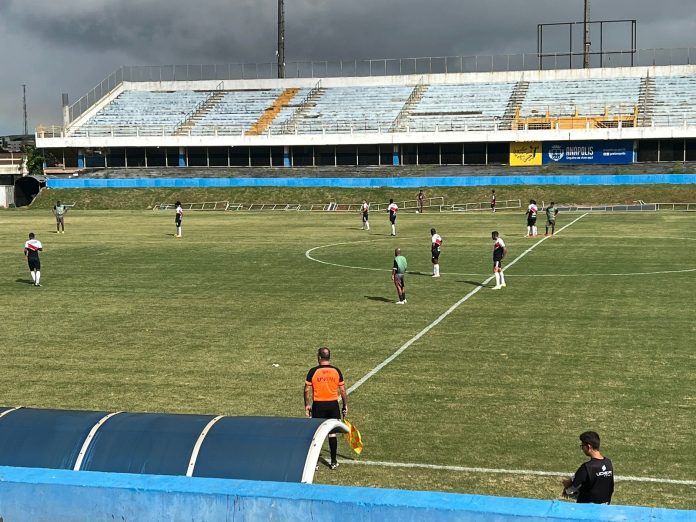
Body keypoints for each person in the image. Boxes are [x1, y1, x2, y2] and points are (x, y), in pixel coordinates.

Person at [304, 347, 348, 470]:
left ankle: (315, 463)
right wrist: (344, 405)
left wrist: (307, 404)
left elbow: (307, 389)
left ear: (319, 357)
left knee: (316, 434)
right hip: (333, 405)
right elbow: (343, 390)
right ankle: (333, 461)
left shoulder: (313, 371)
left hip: (318, 405)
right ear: (329, 357)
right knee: (332, 434)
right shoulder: (336, 371)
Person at [561, 431, 614, 504]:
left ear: (589, 447)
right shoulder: (608, 463)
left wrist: (566, 488)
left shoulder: (586, 467)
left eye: (582, 446)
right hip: (604, 507)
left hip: (586, 509)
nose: (582, 449)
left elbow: (571, 489)